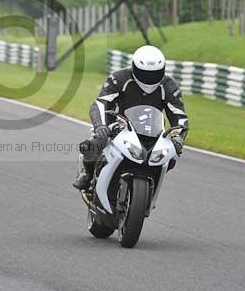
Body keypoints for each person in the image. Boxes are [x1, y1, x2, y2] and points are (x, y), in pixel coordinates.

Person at [72, 45, 189, 190]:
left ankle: (150, 187)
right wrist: (100, 126)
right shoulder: (119, 78)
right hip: (117, 124)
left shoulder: (170, 86)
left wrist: (178, 138)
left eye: (154, 74)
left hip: (152, 129)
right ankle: (87, 173)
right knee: (97, 142)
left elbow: (180, 117)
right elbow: (100, 103)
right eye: (144, 73)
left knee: (169, 159)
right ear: (134, 67)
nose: (148, 78)